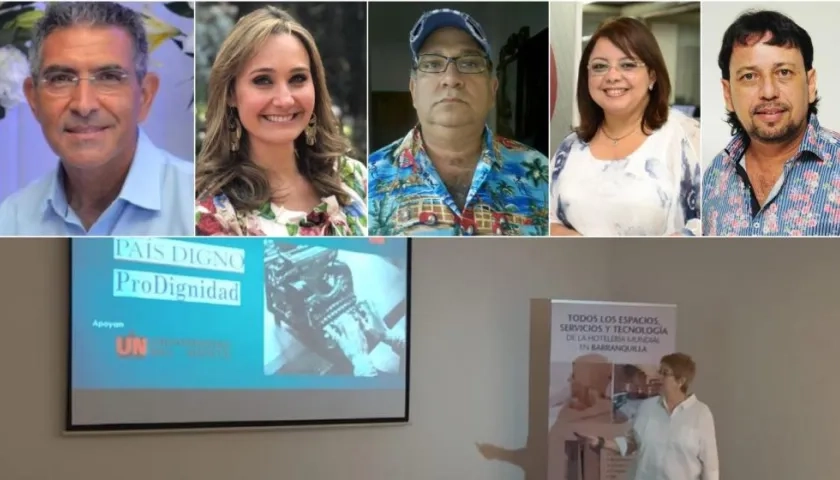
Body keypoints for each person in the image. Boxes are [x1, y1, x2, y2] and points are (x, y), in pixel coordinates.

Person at [0, 2, 193, 236]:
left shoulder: (202, 205)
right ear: (33, 99)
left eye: (109, 77)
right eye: (61, 78)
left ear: (144, 96)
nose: (84, 105)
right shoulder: (11, 221)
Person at [367, 8, 548, 236]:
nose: (451, 79)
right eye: (432, 64)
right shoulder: (369, 179)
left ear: (493, 90)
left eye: (470, 63)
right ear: (413, 90)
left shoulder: (540, 172)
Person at [194, 7, 367, 237]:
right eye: (263, 80)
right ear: (231, 93)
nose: (285, 100)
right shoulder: (211, 213)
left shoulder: (354, 177)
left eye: (298, 78)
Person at [550, 17, 701, 237]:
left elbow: (714, 219)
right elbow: (547, 218)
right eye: (600, 66)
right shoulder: (570, 147)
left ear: (652, 75)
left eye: (627, 65)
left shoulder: (686, 135)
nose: (612, 76)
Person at [703, 10, 840, 236]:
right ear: (728, 94)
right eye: (749, 76)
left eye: (784, 72)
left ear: (810, 84)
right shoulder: (714, 176)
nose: (768, 92)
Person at [576, 353, 719, 480]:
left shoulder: (700, 413)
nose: (659, 377)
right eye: (659, 371)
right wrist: (600, 442)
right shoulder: (647, 407)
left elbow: (710, 465)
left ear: (680, 381)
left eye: (665, 373)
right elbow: (631, 443)